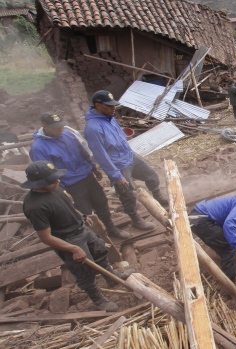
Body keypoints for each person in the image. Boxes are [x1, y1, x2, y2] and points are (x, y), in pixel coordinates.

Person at [21, 161, 134, 312]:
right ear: (39, 183)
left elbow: (68, 205)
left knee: (100, 252)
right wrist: (73, 249)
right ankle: (97, 299)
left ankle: (112, 278)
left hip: (81, 229)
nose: (58, 180)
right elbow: (46, 238)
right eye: (53, 180)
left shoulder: (55, 188)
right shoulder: (35, 206)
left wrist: (81, 216)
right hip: (68, 240)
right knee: (84, 272)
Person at [30, 112, 130, 239]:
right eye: (56, 127)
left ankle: (111, 229)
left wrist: (93, 167)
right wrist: (62, 192)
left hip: (87, 176)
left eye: (61, 126)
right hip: (70, 185)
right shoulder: (38, 148)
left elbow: (82, 152)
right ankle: (96, 239)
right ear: (44, 126)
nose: (60, 129)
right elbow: (46, 174)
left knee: (101, 203)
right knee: (84, 213)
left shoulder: (67, 134)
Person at [84, 90, 167, 231]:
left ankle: (158, 196)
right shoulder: (93, 128)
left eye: (114, 105)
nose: (113, 108)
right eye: (109, 106)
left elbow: (117, 134)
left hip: (130, 156)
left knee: (151, 175)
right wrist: (116, 176)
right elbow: (100, 156)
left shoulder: (109, 117)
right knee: (127, 192)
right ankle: (136, 219)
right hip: (118, 165)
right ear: (98, 105)